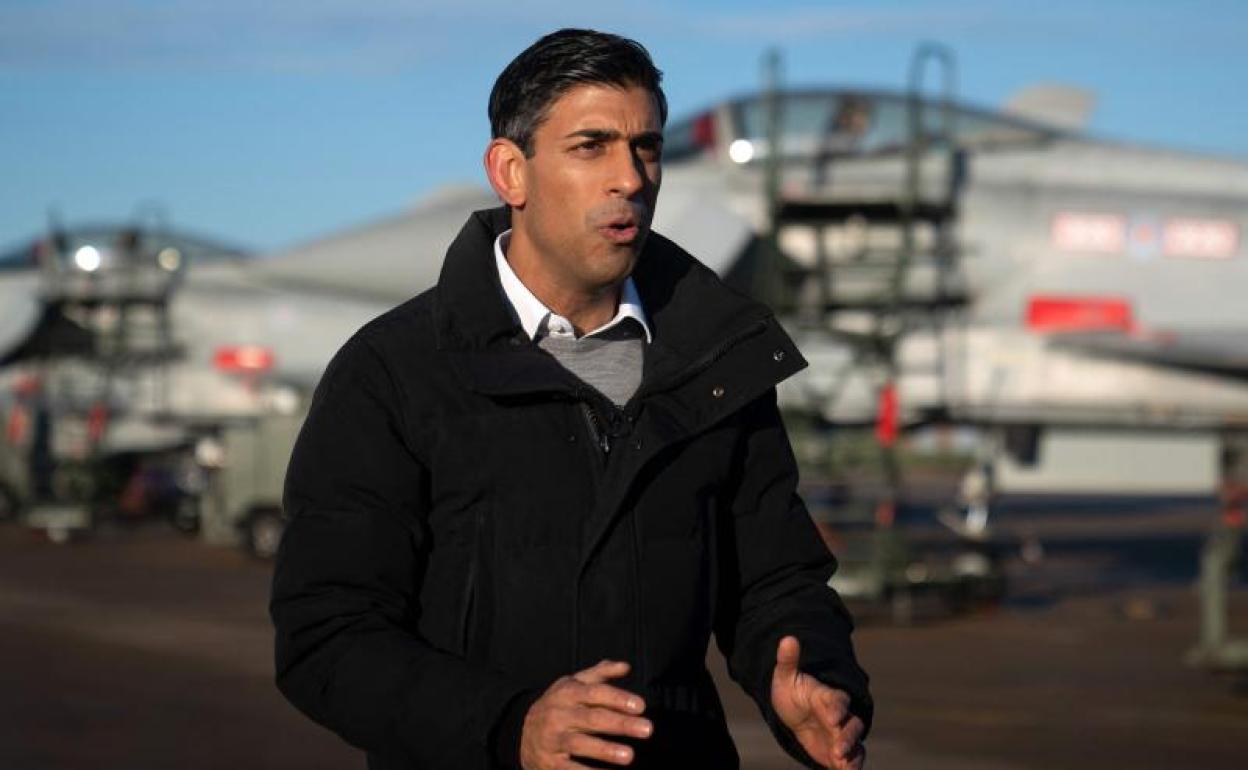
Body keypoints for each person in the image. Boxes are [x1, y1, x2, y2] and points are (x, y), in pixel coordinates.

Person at [271, 28, 872, 770]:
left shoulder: (716, 359)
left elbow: (774, 581)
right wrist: (510, 726)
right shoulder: (392, 372)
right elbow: (326, 635)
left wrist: (813, 679)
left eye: (645, 147)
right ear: (510, 172)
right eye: (591, 146)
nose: (630, 177)